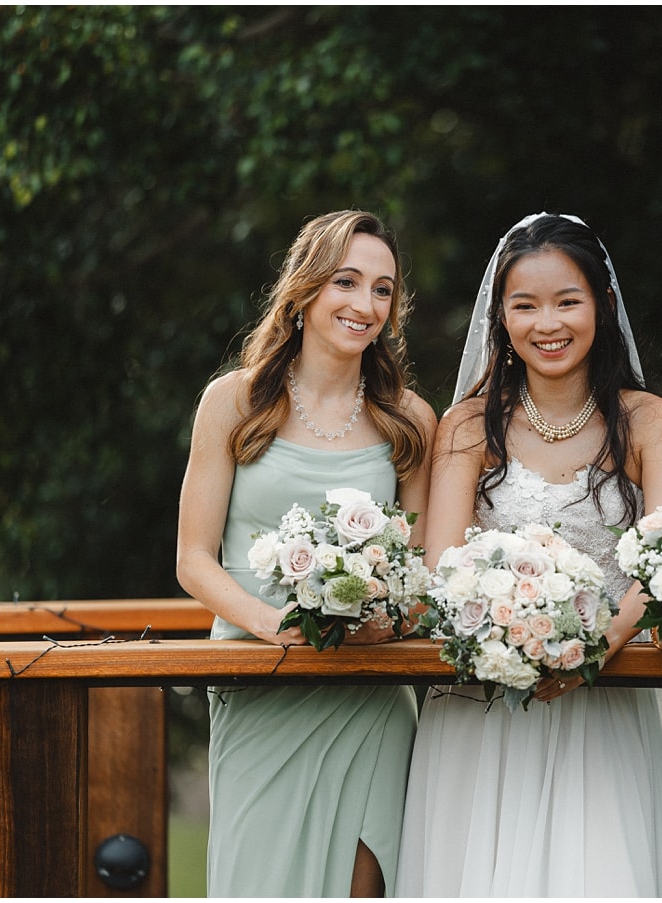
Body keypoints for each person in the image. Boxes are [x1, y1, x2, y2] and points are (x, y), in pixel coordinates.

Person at [397, 213, 662, 896]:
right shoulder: (468, 425)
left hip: (606, 700)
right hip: (481, 699)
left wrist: (596, 646)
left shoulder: (650, 420)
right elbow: (443, 565)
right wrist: (506, 630)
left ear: (603, 305)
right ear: (500, 317)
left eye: (567, 301)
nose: (546, 323)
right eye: (524, 304)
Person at [175, 210, 435, 896]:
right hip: (258, 679)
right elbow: (193, 559)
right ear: (305, 289)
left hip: (367, 694)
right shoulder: (233, 401)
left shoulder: (408, 417)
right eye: (347, 281)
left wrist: (389, 616)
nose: (365, 305)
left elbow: (422, 568)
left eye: (383, 289)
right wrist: (272, 627)